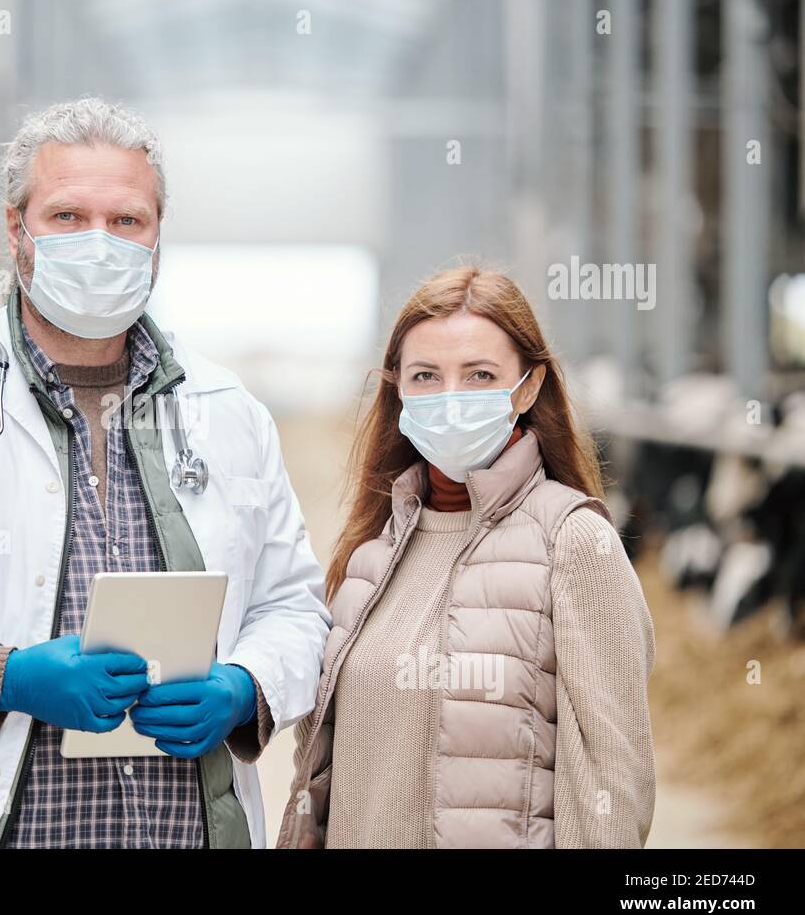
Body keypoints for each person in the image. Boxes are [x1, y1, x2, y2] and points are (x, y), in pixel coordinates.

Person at [0, 97, 330, 848]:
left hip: (181, 829)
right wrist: (1, 678)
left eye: (127, 221)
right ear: (18, 231)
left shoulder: (229, 412)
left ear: (158, 237)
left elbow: (295, 612)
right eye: (68, 217)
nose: (99, 242)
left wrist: (246, 687)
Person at [277, 266, 656, 848]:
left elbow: (612, 784)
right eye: (426, 375)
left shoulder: (575, 543)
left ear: (527, 388)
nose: (451, 398)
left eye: (480, 374)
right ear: (398, 389)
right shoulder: (371, 555)